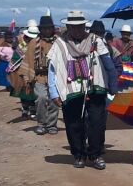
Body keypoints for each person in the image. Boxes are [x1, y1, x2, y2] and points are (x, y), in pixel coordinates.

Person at [47, 10, 114, 170]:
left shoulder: (96, 41)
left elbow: (108, 63)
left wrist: (113, 85)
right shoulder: (59, 43)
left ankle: (95, 154)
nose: (76, 30)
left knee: (97, 123)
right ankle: (79, 154)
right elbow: (52, 68)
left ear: (85, 26)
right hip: (70, 90)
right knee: (73, 124)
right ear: (68, 27)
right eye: (73, 27)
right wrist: (54, 91)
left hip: (95, 88)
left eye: (80, 27)